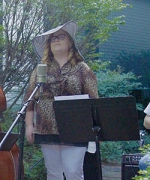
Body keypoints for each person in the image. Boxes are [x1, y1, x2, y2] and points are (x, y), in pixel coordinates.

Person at [24, 20, 99, 180]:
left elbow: (94, 102)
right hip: (46, 128)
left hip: (76, 129)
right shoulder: (40, 69)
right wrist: (29, 126)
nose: (56, 40)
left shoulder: (83, 69)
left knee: (73, 171)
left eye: (61, 36)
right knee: (53, 173)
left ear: (70, 42)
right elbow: (30, 99)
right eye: (53, 38)